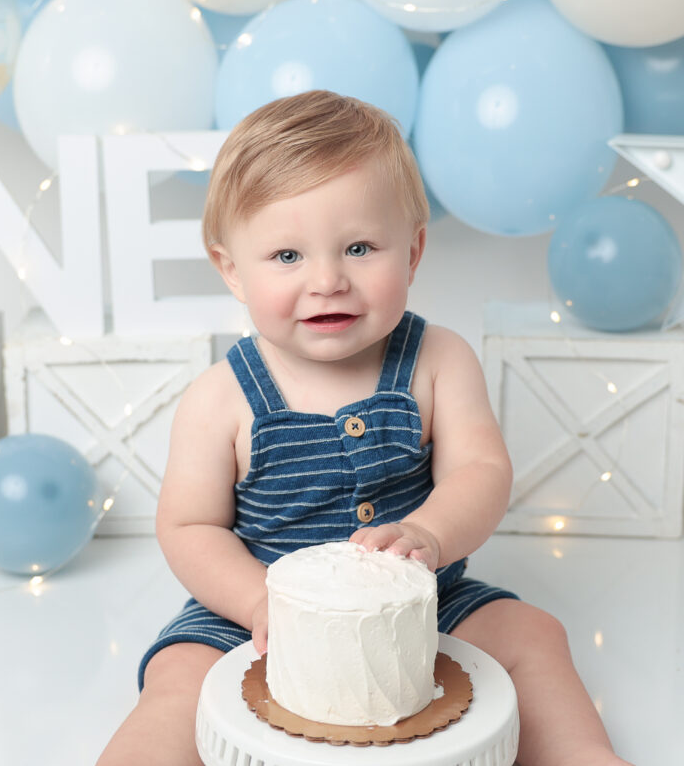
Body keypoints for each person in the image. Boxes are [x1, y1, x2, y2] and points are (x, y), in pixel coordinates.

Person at [96, 90, 630, 766]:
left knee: (533, 633)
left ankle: (581, 754)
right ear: (231, 268)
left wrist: (429, 533)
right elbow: (189, 526)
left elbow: (481, 470)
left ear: (413, 251)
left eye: (358, 247)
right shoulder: (221, 397)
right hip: (254, 612)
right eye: (287, 256)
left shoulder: (437, 361)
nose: (327, 280)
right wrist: (258, 599)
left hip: (422, 602)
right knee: (179, 677)